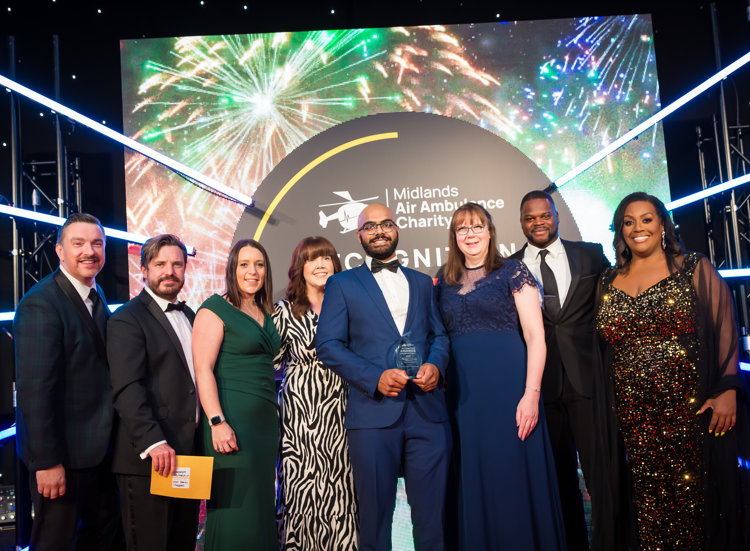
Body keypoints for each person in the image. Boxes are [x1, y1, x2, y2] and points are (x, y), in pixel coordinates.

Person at [596, 192, 750, 551]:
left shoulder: (693, 266)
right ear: (620, 230)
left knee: (693, 498)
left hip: (688, 409)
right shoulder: (608, 279)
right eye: (629, 222)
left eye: (646, 219)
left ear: (662, 224)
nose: (638, 228)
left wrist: (728, 388)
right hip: (633, 417)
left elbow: (725, 326)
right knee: (647, 503)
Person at [316, 203, 451, 551]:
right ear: (359, 235)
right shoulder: (341, 284)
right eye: (370, 226)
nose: (379, 231)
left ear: (397, 230)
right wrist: (374, 377)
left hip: (428, 413)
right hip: (373, 414)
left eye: (386, 224)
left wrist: (436, 365)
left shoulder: (423, 282)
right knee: (375, 521)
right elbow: (328, 345)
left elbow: (439, 336)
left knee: (433, 519)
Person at [437, 201, 566, 550]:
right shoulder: (443, 281)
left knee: (512, 472)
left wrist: (532, 394)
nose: (471, 234)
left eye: (478, 226)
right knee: (473, 475)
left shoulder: (512, 271)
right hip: (463, 398)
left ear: (490, 231)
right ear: (454, 236)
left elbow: (536, 336)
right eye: (462, 228)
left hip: (511, 391)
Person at [13, 212, 123, 550]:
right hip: (62, 458)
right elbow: (34, 392)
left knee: (100, 539)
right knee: (54, 543)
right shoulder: (41, 304)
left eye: (97, 244)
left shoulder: (95, 294)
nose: (89, 251)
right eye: (79, 243)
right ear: (60, 251)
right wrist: (46, 462)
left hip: (99, 453)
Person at [510, 190, 610, 550]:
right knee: (561, 481)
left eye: (544, 215)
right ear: (521, 222)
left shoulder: (591, 255)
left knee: (603, 478)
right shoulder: (509, 267)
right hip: (542, 390)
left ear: (555, 216)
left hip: (589, 382)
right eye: (530, 217)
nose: (538, 222)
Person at [107, 234, 200, 550]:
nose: (169, 271)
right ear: (144, 269)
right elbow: (127, 388)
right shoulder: (126, 319)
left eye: (177, 264)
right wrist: (154, 442)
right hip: (149, 460)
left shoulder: (191, 316)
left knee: (182, 543)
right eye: (160, 264)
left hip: (187, 457)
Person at [192, 238, 281, 551]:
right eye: (244, 264)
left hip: (264, 427)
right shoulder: (214, 309)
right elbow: (203, 369)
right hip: (230, 424)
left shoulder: (264, 310)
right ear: (232, 268)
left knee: (260, 509)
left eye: (259, 265)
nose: (252, 271)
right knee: (235, 514)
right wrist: (217, 421)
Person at [273, 236, 358, 551]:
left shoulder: (349, 307)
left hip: (343, 412)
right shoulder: (283, 311)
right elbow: (270, 364)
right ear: (300, 267)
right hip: (299, 420)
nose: (320, 265)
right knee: (301, 490)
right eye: (311, 259)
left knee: (343, 489)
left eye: (326, 258)